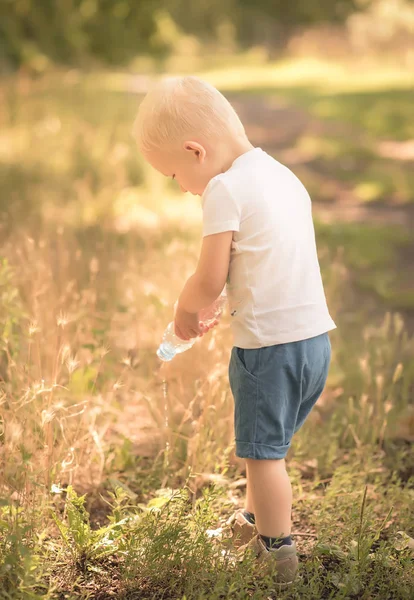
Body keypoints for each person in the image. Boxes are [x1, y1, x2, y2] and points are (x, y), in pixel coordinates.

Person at [132, 75, 336, 585]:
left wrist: (185, 310)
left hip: (267, 351)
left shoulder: (223, 187)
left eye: (173, 175)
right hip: (314, 342)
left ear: (195, 151)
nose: (180, 187)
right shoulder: (283, 175)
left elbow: (209, 276)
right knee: (265, 446)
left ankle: (278, 551)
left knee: (262, 456)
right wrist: (232, 295)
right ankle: (253, 522)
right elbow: (270, 258)